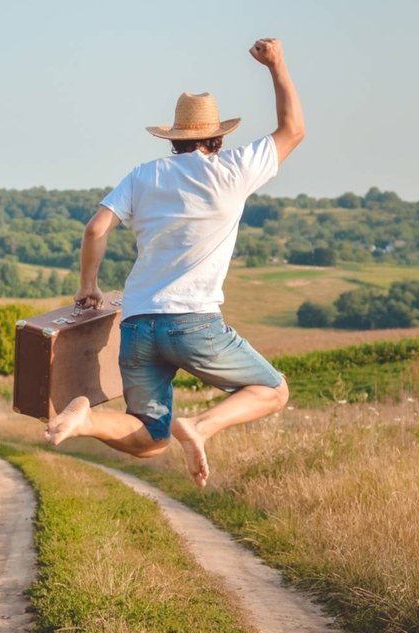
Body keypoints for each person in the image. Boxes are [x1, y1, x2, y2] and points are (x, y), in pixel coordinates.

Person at [44, 37, 305, 487]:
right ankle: (201, 427)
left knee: (150, 437)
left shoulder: (143, 175)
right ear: (218, 137)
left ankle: (84, 421)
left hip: (139, 322)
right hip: (194, 325)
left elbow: (95, 228)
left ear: (175, 138)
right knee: (273, 390)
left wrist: (89, 285)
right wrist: (276, 66)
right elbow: (293, 129)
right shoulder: (233, 170)